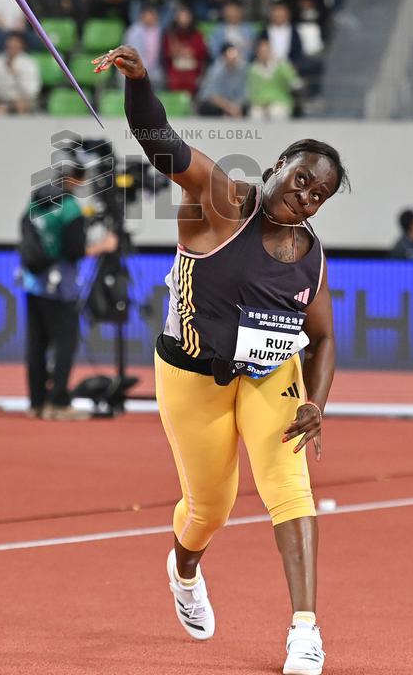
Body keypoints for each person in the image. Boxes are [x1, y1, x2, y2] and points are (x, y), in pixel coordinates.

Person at [92, 42, 350, 675]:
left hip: (270, 375)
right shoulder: (223, 201)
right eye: (302, 179)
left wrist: (316, 402)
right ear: (279, 166)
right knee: (211, 505)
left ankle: (305, 630)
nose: (307, 197)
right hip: (193, 374)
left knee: (290, 489)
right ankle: (184, 569)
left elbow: (322, 338)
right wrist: (140, 81)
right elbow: (161, 142)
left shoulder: (311, 254)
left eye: (319, 195)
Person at [21, 155, 118, 421]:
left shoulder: (37, 199)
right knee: (66, 341)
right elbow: (74, 251)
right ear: (77, 178)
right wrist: (103, 246)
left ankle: (36, 403)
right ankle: (58, 402)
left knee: (37, 343)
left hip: (33, 280)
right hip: (59, 286)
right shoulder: (70, 208)